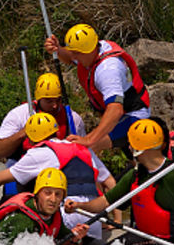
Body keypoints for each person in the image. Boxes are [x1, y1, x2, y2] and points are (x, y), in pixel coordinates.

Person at [65, 119, 174, 245]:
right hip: (145, 237)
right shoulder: (135, 175)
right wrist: (79, 206)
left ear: (140, 149)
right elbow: (105, 202)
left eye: (131, 143)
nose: (128, 147)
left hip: (170, 244)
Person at [0, 112, 118, 245]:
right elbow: (110, 183)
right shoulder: (82, 148)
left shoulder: (39, 153)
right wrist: (116, 219)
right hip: (93, 217)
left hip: (66, 212)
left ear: (31, 138)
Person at [44, 23, 150, 153]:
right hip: (117, 115)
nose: (73, 57)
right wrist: (58, 50)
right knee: (129, 154)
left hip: (133, 116)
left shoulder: (108, 70)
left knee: (84, 148)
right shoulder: (92, 49)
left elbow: (115, 110)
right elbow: (71, 58)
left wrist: (89, 140)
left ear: (89, 50)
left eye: (76, 53)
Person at [0, 168, 90, 245]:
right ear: (37, 194)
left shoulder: (53, 215)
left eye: (58, 194)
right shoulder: (22, 220)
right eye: (47, 193)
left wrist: (76, 238)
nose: (53, 199)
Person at [0, 72, 86, 162]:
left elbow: (86, 152)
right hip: (25, 162)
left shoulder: (72, 119)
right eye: (49, 101)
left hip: (59, 164)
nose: (55, 105)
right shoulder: (20, 114)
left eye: (58, 100)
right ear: (39, 99)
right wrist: (24, 132)